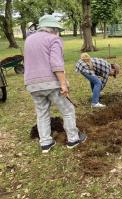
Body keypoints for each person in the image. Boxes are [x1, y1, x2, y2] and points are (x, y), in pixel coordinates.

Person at [24, 15, 87, 153]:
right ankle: (73, 139)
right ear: (53, 29)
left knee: (42, 113)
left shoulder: (28, 40)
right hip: (50, 83)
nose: (58, 32)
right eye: (58, 29)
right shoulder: (54, 39)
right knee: (68, 110)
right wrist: (63, 84)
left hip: (31, 84)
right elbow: (56, 64)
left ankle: (45, 143)